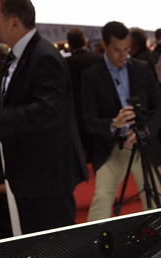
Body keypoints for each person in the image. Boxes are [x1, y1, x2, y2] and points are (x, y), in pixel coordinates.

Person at [0, 0, 88, 234]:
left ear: (15, 22)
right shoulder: (18, 56)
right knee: (38, 247)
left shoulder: (43, 56)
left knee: (58, 247)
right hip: (29, 175)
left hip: (47, 176)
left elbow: (49, 112)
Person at [82, 20, 161, 219]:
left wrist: (146, 131)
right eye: (117, 50)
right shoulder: (91, 76)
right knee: (102, 199)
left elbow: (160, 108)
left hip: (144, 144)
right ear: (104, 45)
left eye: (126, 49)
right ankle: (95, 238)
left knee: (155, 200)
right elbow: (89, 121)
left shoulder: (142, 69)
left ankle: (158, 237)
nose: (123, 55)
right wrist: (114, 123)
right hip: (112, 147)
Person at [64, 27, 102, 163]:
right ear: (85, 41)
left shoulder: (67, 64)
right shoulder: (99, 59)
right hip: (99, 106)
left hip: (77, 108)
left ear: (70, 44)